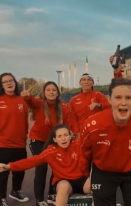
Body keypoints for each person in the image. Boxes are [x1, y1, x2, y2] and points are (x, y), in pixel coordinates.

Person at [80, 78, 131, 206]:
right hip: (103, 171)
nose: (123, 103)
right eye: (118, 97)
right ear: (109, 99)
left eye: (129, 98)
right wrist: (86, 176)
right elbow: (84, 152)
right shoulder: (92, 125)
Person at [0, 125, 91, 206]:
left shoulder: (79, 145)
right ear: (55, 139)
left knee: (97, 185)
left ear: (70, 136)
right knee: (64, 187)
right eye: (60, 136)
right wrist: (9, 166)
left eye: (66, 135)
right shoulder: (50, 152)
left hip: (81, 180)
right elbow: (31, 161)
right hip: (63, 181)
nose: (63, 138)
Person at [21, 81, 71, 206]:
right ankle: (39, 200)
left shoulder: (64, 106)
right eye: (48, 90)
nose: (51, 92)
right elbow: (30, 102)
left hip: (55, 140)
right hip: (38, 140)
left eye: (54, 90)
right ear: (44, 92)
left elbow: (68, 123)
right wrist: (27, 96)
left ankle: (51, 194)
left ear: (58, 92)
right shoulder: (39, 103)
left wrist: (71, 135)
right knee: (41, 167)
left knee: (57, 167)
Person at [0, 73, 29, 206]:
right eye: (5, 82)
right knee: (3, 173)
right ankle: (2, 198)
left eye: (11, 80)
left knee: (19, 171)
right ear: (1, 85)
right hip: (3, 143)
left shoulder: (22, 99)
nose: (9, 83)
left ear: (15, 82)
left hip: (20, 143)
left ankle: (16, 191)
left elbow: (26, 119)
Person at [69, 73, 110, 137]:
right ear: (80, 83)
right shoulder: (73, 100)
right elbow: (72, 118)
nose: (86, 82)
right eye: (84, 80)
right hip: (82, 131)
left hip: (98, 129)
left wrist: (99, 105)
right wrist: (77, 132)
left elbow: (109, 108)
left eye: (89, 80)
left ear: (93, 83)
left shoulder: (98, 95)